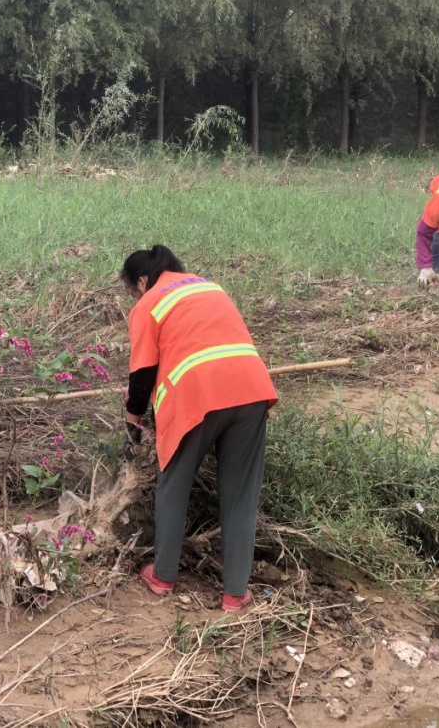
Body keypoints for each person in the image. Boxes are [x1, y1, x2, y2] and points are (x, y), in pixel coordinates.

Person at [121, 246, 278, 612]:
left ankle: (163, 576)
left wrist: (132, 424)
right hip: (251, 389)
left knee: (173, 483)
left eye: (132, 290)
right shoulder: (210, 287)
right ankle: (235, 594)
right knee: (241, 495)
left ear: (141, 282)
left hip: (197, 395)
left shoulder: (149, 304)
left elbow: (142, 374)